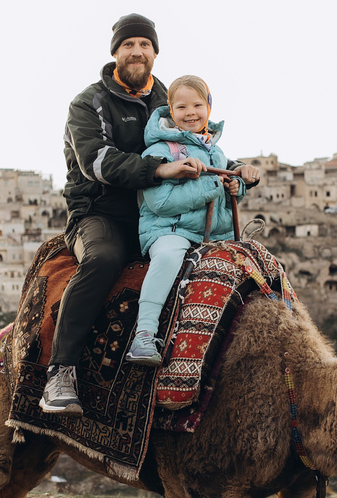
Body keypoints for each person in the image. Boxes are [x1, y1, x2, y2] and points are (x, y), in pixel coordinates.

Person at [40, 14, 259, 416]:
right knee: (104, 259)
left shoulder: (168, 98)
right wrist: (158, 170)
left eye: (144, 44)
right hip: (102, 211)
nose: (137, 51)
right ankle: (61, 371)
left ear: (155, 52)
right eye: (128, 44)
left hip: (163, 211)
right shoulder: (89, 103)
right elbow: (97, 162)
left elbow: (199, 142)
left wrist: (237, 170)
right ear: (115, 52)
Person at [125, 75, 260, 366]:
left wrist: (236, 188)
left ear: (208, 109)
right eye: (182, 106)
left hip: (209, 234)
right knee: (169, 255)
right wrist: (210, 186)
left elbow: (219, 195)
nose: (190, 113)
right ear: (170, 111)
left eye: (198, 105)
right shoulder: (160, 151)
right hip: (168, 229)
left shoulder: (216, 150)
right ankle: (144, 334)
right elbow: (159, 203)